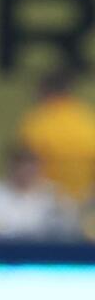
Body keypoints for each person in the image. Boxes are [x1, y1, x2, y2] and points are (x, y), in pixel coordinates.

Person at [16, 67, 95, 204]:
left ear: (44, 90)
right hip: (87, 200)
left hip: (47, 202)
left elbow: (24, 166)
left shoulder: (37, 122)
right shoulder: (87, 118)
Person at [0, 143, 77, 238]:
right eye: (20, 164)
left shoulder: (56, 195)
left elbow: (68, 230)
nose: (25, 170)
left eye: (31, 164)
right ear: (9, 165)